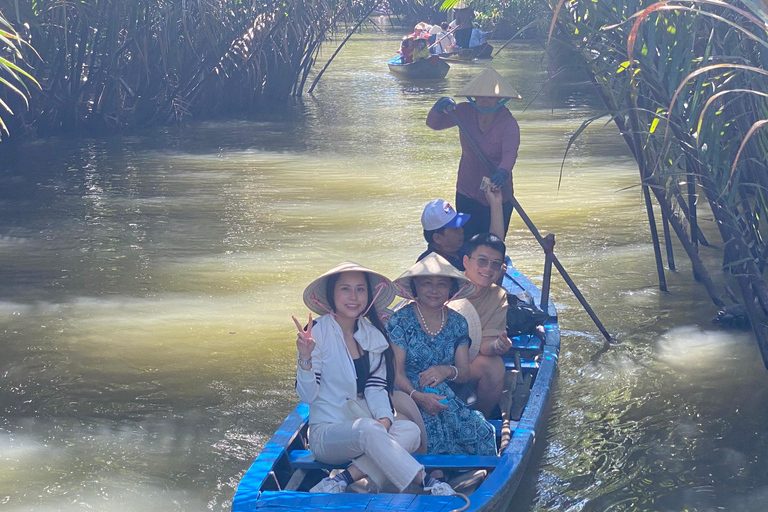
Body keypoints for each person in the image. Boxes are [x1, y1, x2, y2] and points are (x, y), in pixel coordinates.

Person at [294, 262, 454, 495]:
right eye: (345, 289)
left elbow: (377, 389)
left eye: (360, 289)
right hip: (328, 434)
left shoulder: (371, 334)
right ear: (332, 294)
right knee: (368, 430)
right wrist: (305, 357)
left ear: (368, 295)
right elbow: (307, 395)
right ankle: (427, 481)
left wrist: (385, 421)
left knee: (410, 431)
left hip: (367, 426)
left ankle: (341, 480)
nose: (353, 297)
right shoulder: (316, 332)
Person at [386, 253, 497, 456]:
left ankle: (461, 472)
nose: (434, 290)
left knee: (483, 435)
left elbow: (463, 372)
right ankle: (435, 475)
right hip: (407, 394)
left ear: (451, 289)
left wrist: (446, 370)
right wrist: (418, 397)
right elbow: (396, 373)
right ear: (416, 287)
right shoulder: (400, 320)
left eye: (442, 284)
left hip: (445, 393)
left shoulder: (458, 322)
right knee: (430, 434)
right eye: (427, 283)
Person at [426, 67, 522, 243]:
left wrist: (503, 172)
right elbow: (434, 124)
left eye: (490, 96)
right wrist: (437, 109)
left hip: (497, 192)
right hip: (467, 190)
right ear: (474, 97)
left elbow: (510, 153)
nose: (484, 100)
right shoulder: (463, 112)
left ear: (499, 99)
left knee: (493, 242)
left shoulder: (509, 124)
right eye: (481, 95)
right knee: (466, 241)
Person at [461, 233, 513, 417]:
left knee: (494, 366)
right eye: (482, 261)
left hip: (464, 360)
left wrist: (497, 346)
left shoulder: (498, 295)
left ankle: (478, 420)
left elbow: (485, 344)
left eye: (495, 265)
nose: (488, 269)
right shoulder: (445, 284)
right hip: (429, 355)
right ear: (466, 261)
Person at [417, 199, 470, 271]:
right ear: (438, 238)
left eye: (459, 226)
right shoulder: (428, 267)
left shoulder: (466, 248)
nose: (461, 230)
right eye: (454, 228)